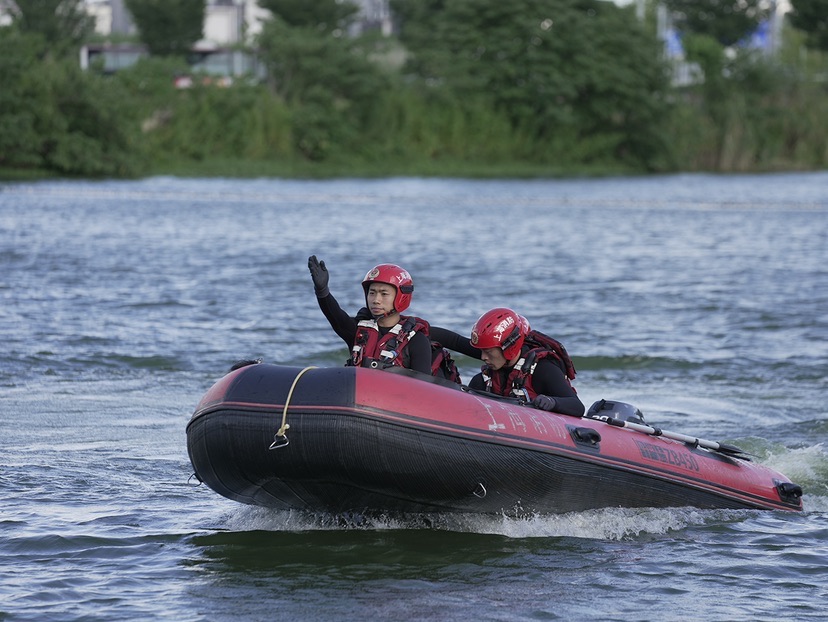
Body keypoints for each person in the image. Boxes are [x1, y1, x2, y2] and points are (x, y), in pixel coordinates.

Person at [430, 308, 585, 417]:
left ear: (509, 348)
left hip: (535, 432)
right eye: (482, 351)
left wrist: (552, 402)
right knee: (477, 382)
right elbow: (455, 341)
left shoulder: (543, 370)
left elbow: (577, 406)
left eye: (488, 352)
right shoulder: (493, 356)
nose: (482, 357)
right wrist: (417, 328)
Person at [308, 255, 434, 375]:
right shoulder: (357, 331)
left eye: (384, 294)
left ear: (401, 298)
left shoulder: (417, 341)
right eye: (372, 293)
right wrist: (322, 291)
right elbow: (335, 315)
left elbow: (424, 390)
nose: (376, 300)